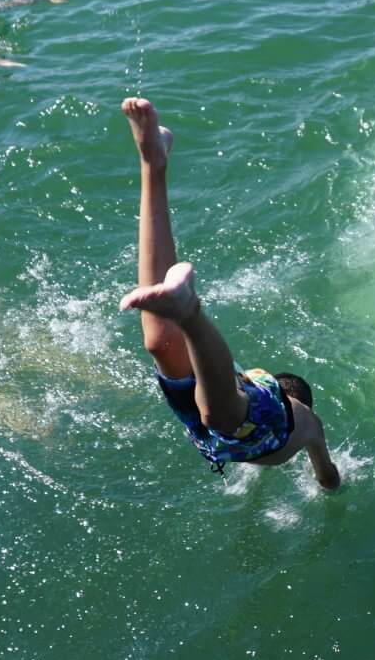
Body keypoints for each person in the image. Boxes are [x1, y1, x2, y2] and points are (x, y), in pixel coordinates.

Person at [119, 98, 341, 490]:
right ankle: (189, 311)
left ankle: (152, 164)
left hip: (212, 416)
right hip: (230, 421)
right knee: (220, 416)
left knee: (158, 342)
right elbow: (327, 476)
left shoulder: (277, 410)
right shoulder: (301, 422)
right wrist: (332, 489)